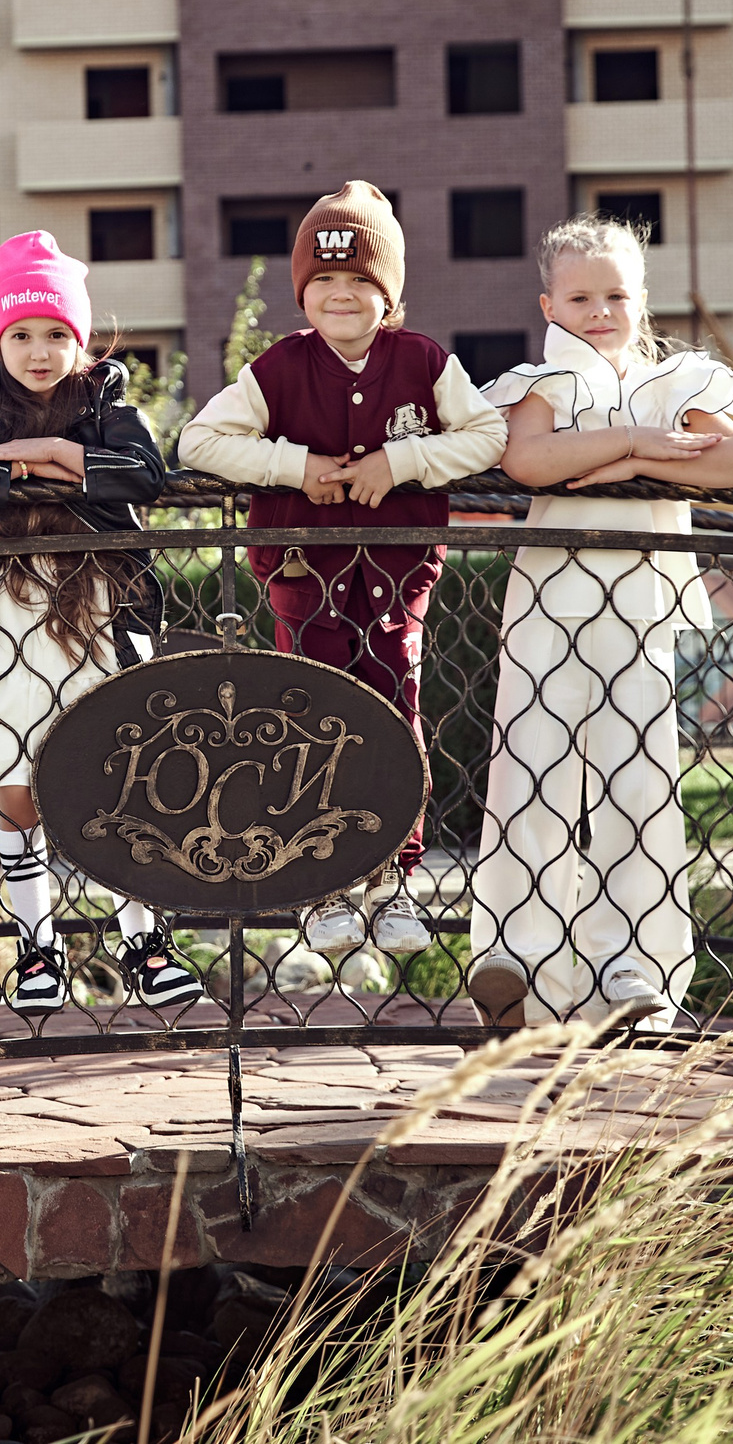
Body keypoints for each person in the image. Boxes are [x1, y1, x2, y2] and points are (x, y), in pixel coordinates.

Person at [178, 181, 508, 954]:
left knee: (398, 709)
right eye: (324, 280)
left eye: (360, 280)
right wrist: (298, 468)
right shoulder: (279, 369)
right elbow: (199, 442)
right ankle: (324, 884)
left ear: (387, 291)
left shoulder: (424, 361)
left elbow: (487, 436)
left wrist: (402, 462)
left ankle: (396, 880)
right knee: (306, 715)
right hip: (303, 572)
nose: (342, 294)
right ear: (303, 292)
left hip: (396, 576)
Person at [468, 218, 733, 1027]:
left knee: (640, 782)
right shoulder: (542, 383)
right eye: (581, 296)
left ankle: (635, 968)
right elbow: (530, 462)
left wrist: (614, 463)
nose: (600, 311)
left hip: (640, 606)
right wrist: (633, 447)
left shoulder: (677, 383)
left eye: (617, 295)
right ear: (549, 304)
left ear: (642, 300)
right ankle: (518, 955)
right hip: (551, 597)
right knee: (533, 773)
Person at [0, 230, 201, 1014]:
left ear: (77, 337)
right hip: (4, 616)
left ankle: (144, 943)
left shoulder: (107, 398)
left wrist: (40, 449)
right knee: (20, 786)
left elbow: (145, 473)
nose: (38, 351)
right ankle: (38, 953)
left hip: (98, 609)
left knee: (119, 776)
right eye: (20, 334)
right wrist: (45, 471)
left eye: (54, 333)